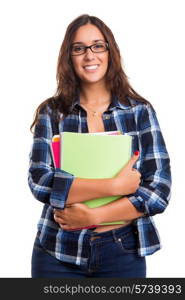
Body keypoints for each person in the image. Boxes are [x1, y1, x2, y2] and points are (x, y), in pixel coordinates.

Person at [28, 14, 171, 278]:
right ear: (68, 57)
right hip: (57, 253)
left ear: (110, 51)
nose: (89, 55)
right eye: (79, 48)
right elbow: (39, 181)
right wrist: (114, 186)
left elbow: (159, 191)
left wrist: (93, 217)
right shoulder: (52, 112)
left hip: (123, 252)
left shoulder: (139, 111)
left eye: (97, 45)